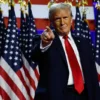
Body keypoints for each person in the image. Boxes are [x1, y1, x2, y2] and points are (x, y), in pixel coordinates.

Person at [32, 3, 100, 100]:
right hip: (57, 96)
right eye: (57, 19)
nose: (62, 22)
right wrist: (45, 43)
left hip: (84, 95)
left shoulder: (83, 42)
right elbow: (34, 56)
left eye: (65, 17)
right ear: (51, 22)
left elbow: (92, 74)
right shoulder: (44, 40)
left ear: (71, 19)